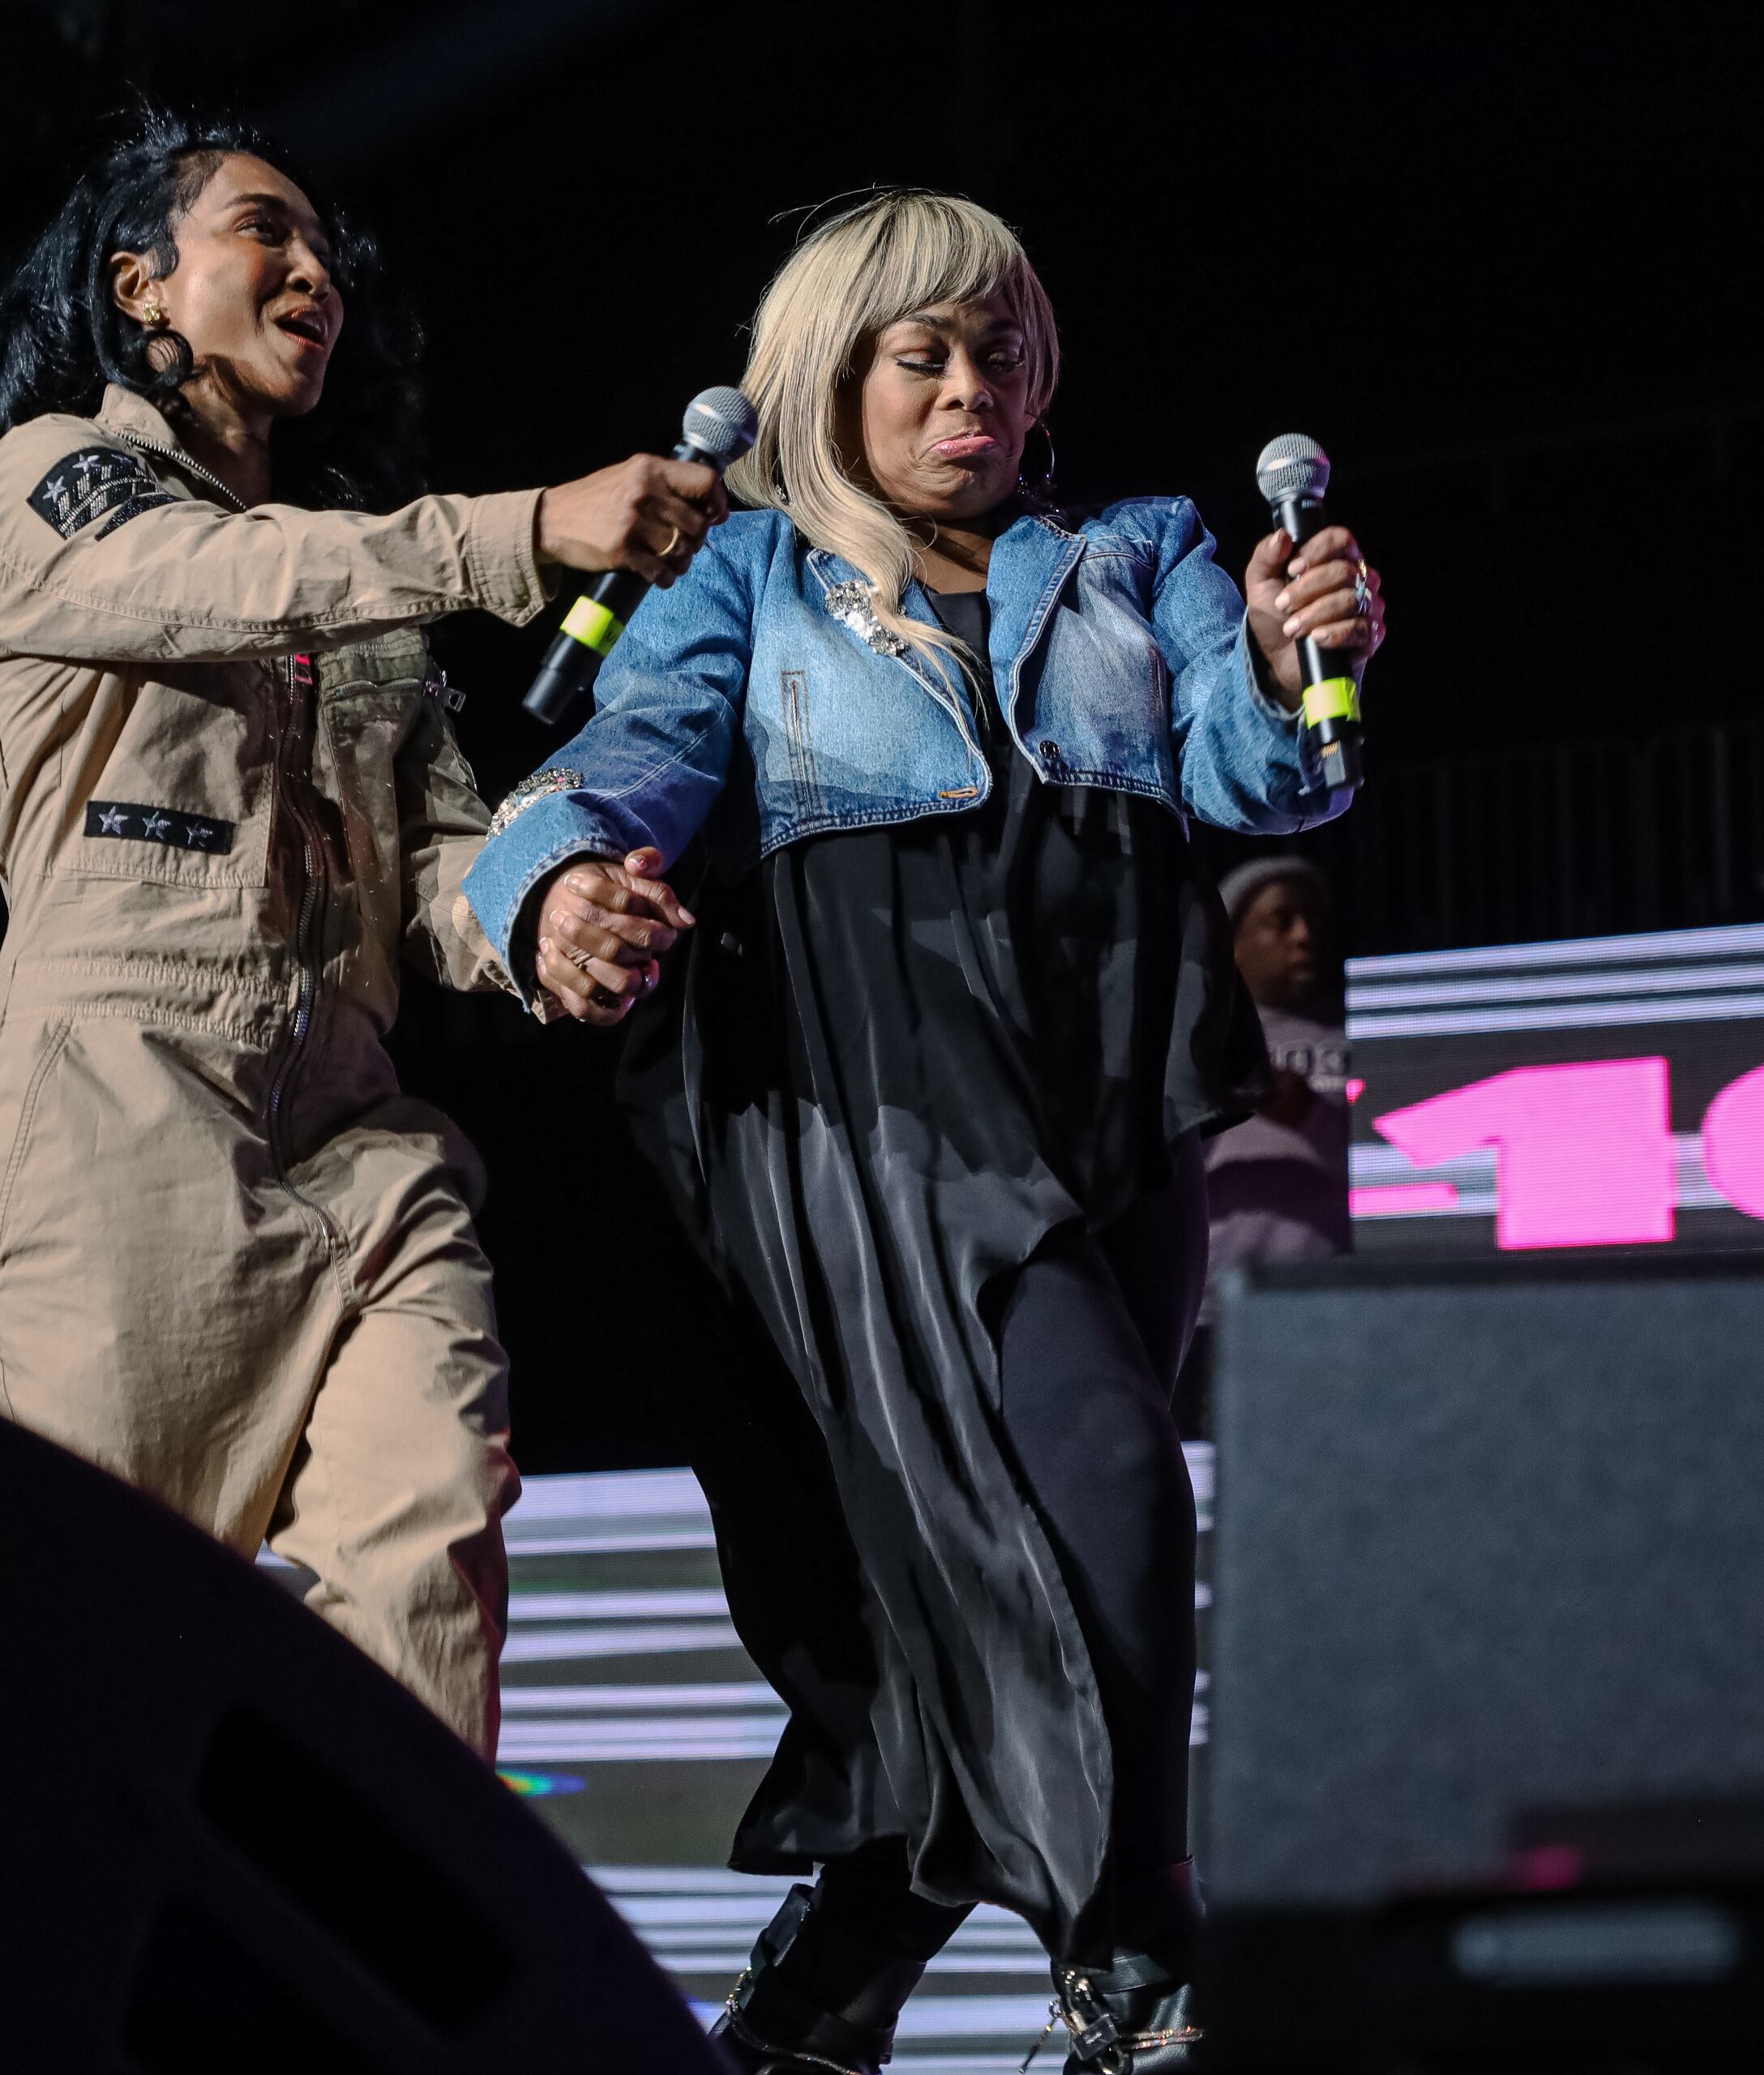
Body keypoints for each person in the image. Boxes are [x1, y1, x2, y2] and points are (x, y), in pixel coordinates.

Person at [462, 192, 1382, 2074]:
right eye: (924, 355)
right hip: (874, 1085)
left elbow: (1250, 769)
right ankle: (1141, 1959)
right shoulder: (750, 571)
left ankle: (814, 2000)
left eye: (1001, 352)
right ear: (831, 377)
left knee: (975, 1586)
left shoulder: (1135, 548)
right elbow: (625, 760)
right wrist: (554, 881)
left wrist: (1294, 663)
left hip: (1111, 1079)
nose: (974, 388)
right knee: (1115, 1480)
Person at [0, 106, 725, 1759]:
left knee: (429, 1539)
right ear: (141, 284)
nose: (316, 270)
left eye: (328, 249)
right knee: (108, 1648)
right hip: (121, 1111)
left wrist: (544, 905)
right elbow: (215, 577)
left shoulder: (353, 587)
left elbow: (430, 860)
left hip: (357, 1133)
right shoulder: (54, 481)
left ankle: (394, 1916)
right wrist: (520, 530)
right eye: (263, 231)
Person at [1179, 855, 1354, 1432]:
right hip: (1213, 1308)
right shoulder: (1188, 1046)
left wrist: (1306, 1111)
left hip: (1332, 1301)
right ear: (1230, 943)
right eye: (1281, 921)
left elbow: (1397, 1162)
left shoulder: (1358, 1037)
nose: (1305, 937)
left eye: (1315, 922)